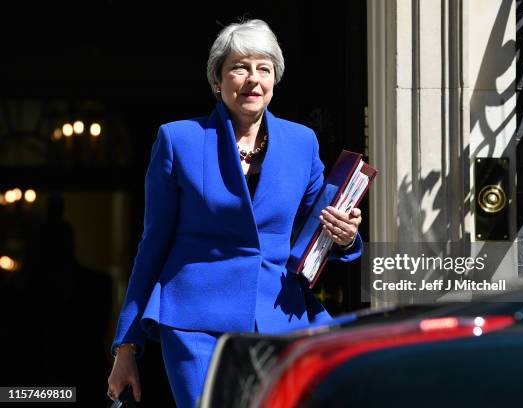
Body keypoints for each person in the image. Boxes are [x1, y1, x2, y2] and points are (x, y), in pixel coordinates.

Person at [107, 19, 363, 408]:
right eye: (239, 68)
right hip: (195, 324)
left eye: (264, 68)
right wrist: (126, 347)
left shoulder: (301, 142)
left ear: (275, 80)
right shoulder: (178, 139)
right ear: (217, 80)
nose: (252, 80)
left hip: (279, 319)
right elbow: (153, 242)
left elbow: (317, 224)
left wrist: (345, 235)